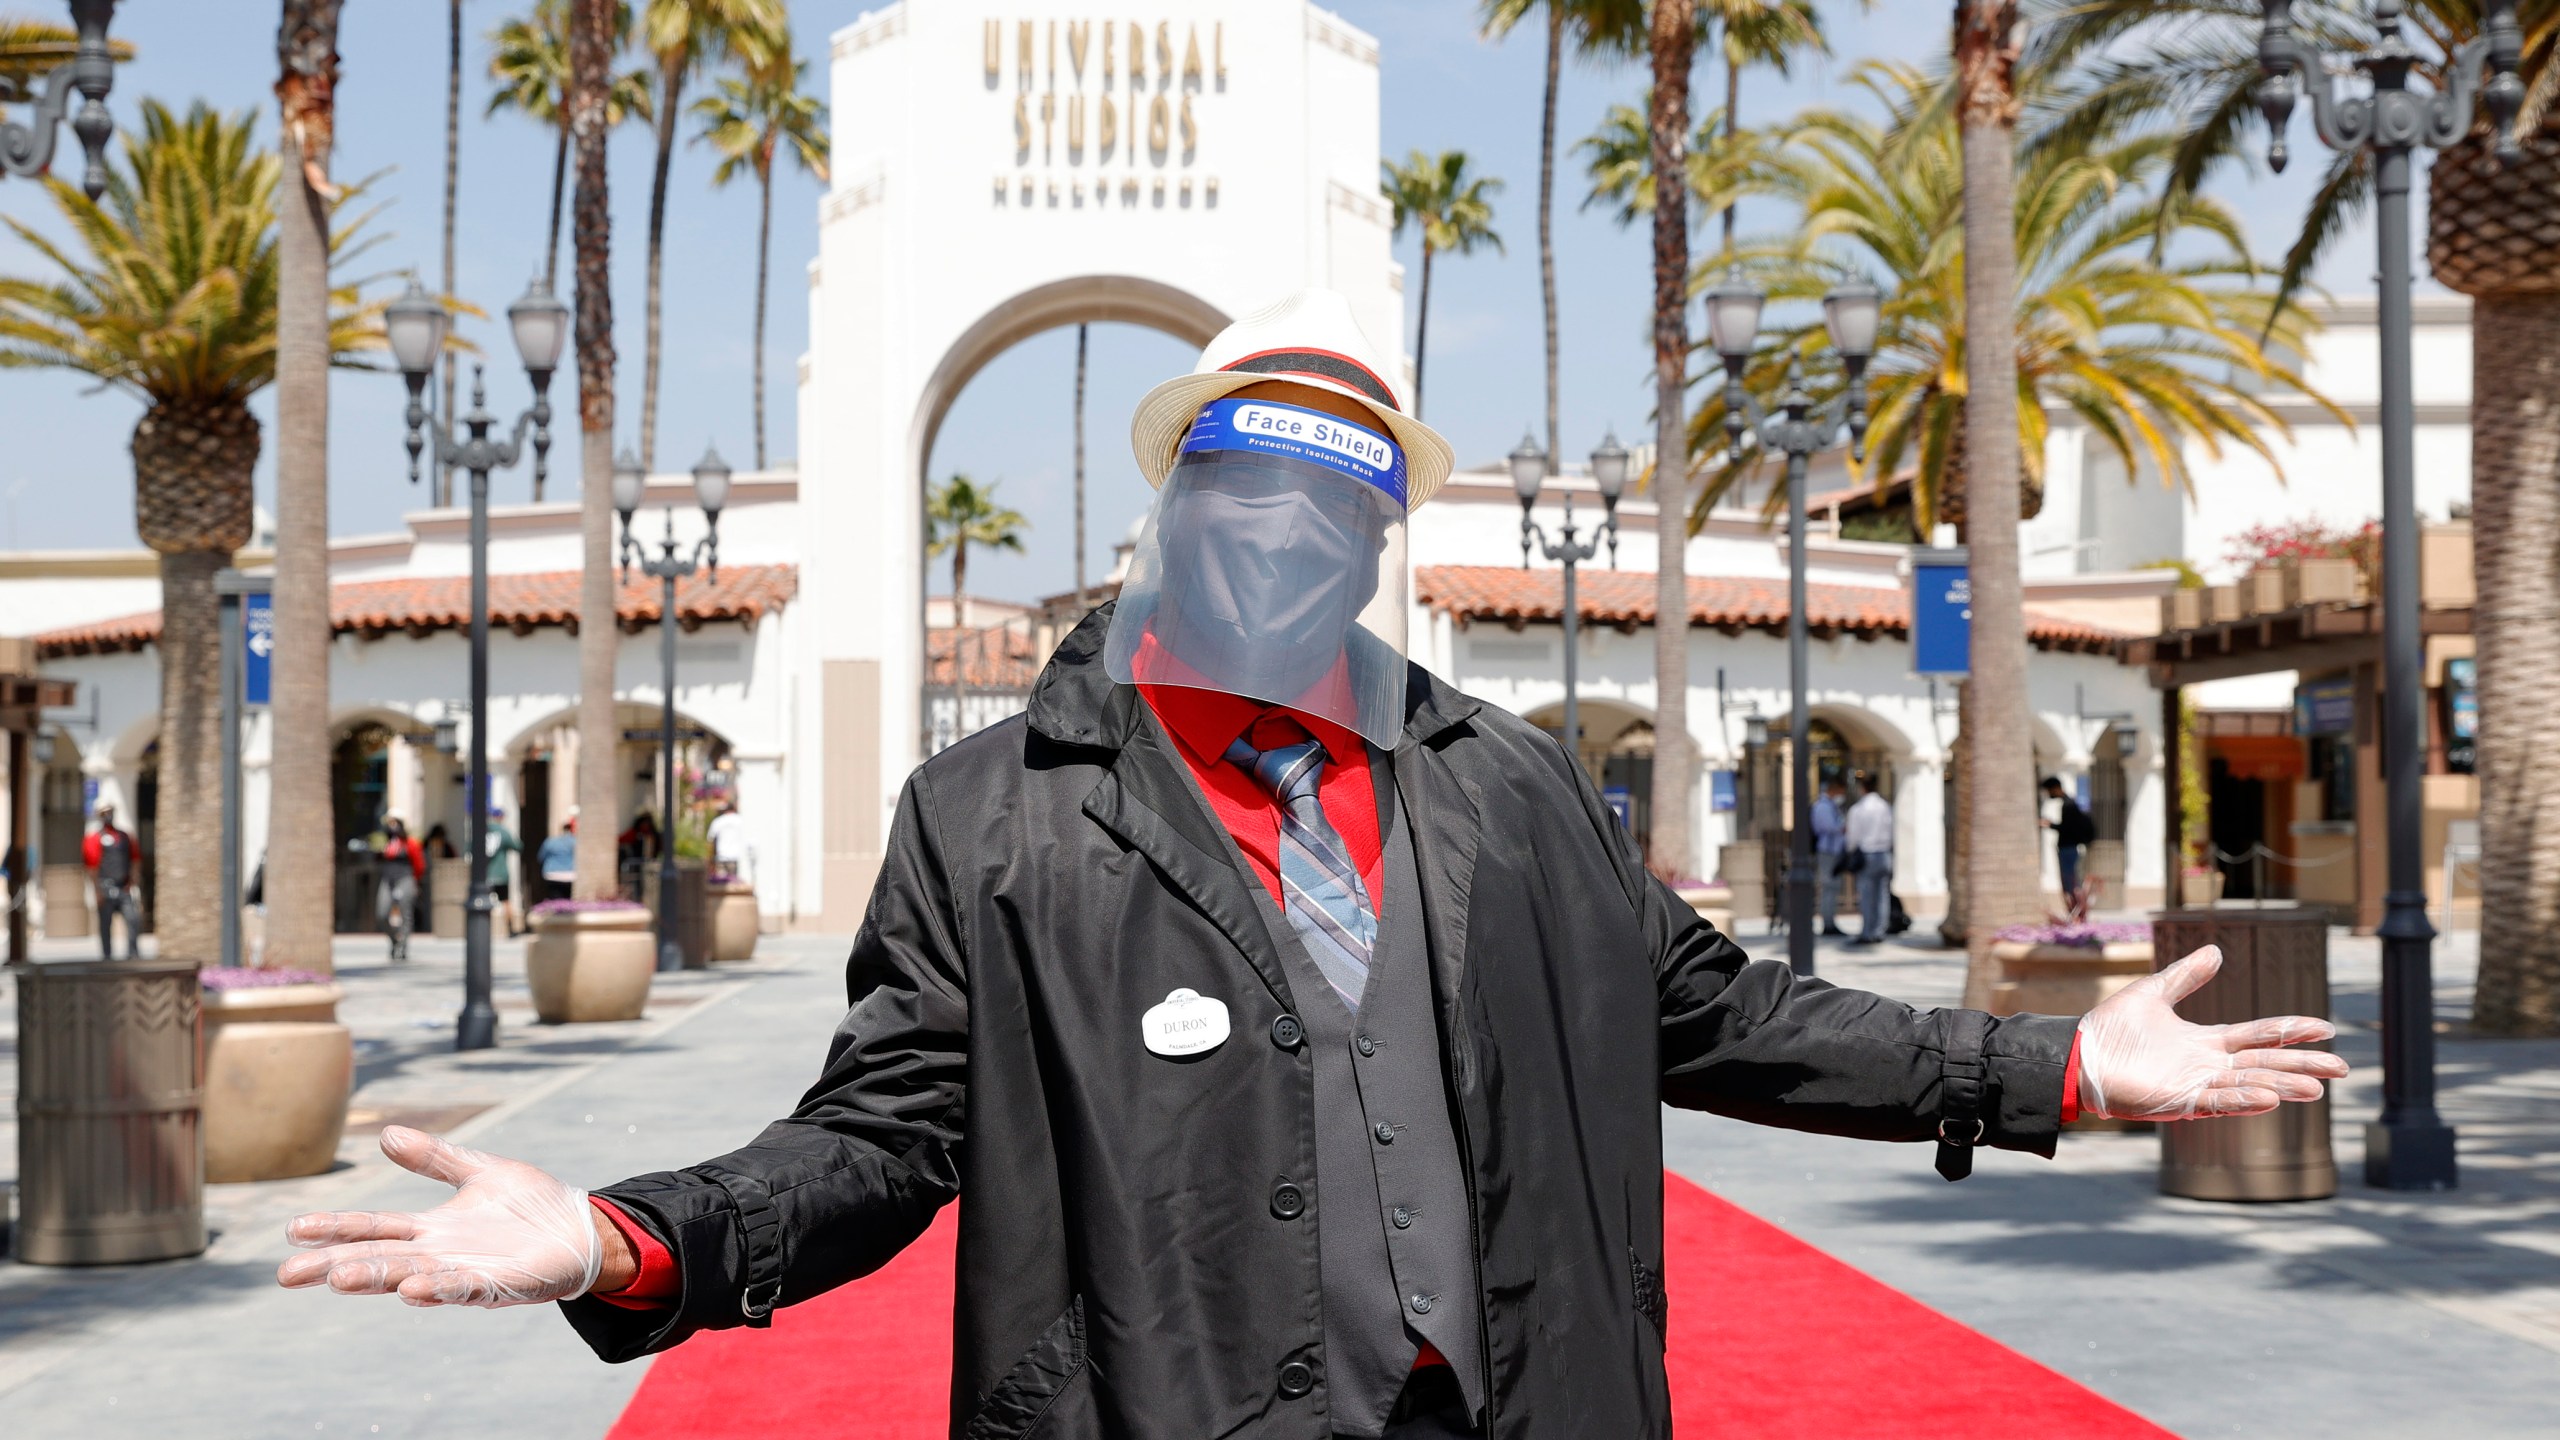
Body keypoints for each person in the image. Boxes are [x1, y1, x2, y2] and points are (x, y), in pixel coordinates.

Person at [277, 289, 2348, 1440]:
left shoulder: (1510, 785)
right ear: (1169, 509)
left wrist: (2064, 1072)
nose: (1285, 541)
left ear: (1379, 554)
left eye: (1334, 515)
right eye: (1245, 493)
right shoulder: (991, 812)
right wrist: (625, 1239)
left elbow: (1722, 1019)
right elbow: (887, 1140)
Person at [82, 803, 142, 960]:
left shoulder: (124, 836)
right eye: (104, 813)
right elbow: (91, 866)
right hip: (104, 887)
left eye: (110, 812)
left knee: (133, 919)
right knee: (105, 924)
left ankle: (133, 954)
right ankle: (107, 956)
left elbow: (135, 860)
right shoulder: (94, 838)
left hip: (124, 887)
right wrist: (96, 890)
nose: (108, 816)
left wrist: (133, 881)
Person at [1843, 774, 1895, 946]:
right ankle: (1879, 930)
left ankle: (1867, 932)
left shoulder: (1859, 809)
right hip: (1884, 854)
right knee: (1882, 895)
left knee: (1866, 895)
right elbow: (1891, 829)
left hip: (1867, 854)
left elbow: (1853, 836)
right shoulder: (1885, 807)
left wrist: (1850, 852)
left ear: (1862, 788)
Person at [2043, 776, 2098, 920]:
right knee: (2070, 883)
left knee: (2071, 883)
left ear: (2055, 788)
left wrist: (2050, 825)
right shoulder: (2070, 803)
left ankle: (2077, 914)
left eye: (2049, 790)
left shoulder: (2068, 805)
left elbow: (2068, 829)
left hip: (2068, 849)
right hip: (2069, 848)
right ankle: (2075, 914)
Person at [376, 818, 426, 962]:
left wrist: (415, 881)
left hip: (405, 878)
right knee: (381, 913)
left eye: (395, 824)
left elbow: (419, 865)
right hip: (387, 880)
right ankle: (394, 940)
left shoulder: (410, 844)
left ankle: (403, 946)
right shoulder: (386, 844)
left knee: (406, 914)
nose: (393, 828)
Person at [1810, 777, 1849, 938]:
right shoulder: (1823, 807)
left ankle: (1830, 920)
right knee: (1828, 887)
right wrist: (1842, 827)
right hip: (1827, 851)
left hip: (1834, 851)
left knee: (1832, 888)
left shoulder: (1831, 806)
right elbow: (1827, 827)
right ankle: (1828, 923)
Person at [485, 805, 524, 938]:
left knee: (483, 901)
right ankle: (511, 929)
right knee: (506, 901)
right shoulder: (503, 831)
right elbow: (518, 846)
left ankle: (484, 928)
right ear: (500, 817)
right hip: (500, 873)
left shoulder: (482, 831)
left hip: (485, 874)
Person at [705, 802, 749, 884]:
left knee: (722, 883)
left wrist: (710, 859)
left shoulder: (718, 821)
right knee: (736, 883)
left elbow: (710, 840)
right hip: (737, 857)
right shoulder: (741, 820)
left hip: (722, 856)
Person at [535, 819, 577, 904]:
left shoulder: (550, 842)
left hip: (552, 874)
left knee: (555, 899)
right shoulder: (575, 842)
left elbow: (540, 857)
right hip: (570, 875)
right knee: (568, 899)